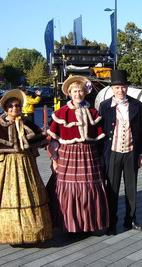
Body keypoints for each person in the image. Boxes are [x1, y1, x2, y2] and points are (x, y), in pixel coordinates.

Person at [0, 89, 52, 245]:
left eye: (17, 106)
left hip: (26, 164)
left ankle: (31, 232)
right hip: (7, 167)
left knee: (30, 194)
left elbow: (39, 141)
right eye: (11, 106)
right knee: (8, 198)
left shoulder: (27, 124)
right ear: (6, 108)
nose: (14, 109)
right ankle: (11, 233)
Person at [47, 75, 109, 233]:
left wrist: (101, 156)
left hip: (89, 154)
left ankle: (89, 224)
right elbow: (53, 139)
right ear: (69, 93)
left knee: (90, 187)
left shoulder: (93, 112)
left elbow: (99, 139)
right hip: (69, 155)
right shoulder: (61, 113)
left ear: (85, 92)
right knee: (70, 188)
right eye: (74, 91)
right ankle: (71, 226)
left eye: (80, 91)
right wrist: (54, 158)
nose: (78, 94)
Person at [98, 70, 142, 235]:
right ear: (112, 89)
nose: (120, 90)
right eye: (117, 87)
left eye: (123, 87)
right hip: (112, 152)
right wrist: (100, 154)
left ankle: (131, 219)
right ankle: (111, 222)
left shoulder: (136, 104)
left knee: (131, 188)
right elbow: (100, 131)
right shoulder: (105, 106)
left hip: (131, 152)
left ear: (127, 88)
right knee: (112, 188)